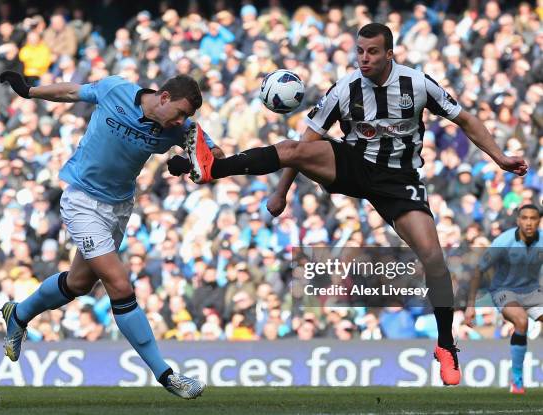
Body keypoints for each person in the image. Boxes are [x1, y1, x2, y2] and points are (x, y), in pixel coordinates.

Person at [172, 23, 528, 386]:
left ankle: (446, 345)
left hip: (398, 182)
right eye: (359, 51)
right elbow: (304, 143)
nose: (364, 58)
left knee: (434, 258)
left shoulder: (417, 84)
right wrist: (281, 192)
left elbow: (465, 119)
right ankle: (214, 167)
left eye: (372, 52)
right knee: (293, 148)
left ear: (390, 53)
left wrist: (499, 157)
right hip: (353, 165)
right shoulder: (345, 88)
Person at [0, 70, 224, 399]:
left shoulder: (182, 129)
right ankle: (167, 375)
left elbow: (213, 157)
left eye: (187, 117)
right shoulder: (116, 90)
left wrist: (189, 163)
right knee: (119, 285)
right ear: (163, 97)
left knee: (78, 284)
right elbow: (73, 92)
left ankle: (17, 314)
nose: (181, 121)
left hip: (119, 207)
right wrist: (30, 92)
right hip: (82, 202)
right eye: (179, 112)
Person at [465, 204, 542, 394]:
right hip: (504, 290)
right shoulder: (504, 241)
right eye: (524, 218)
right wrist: (470, 306)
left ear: (539, 221)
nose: (529, 222)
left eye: (533, 218)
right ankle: (517, 380)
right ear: (518, 221)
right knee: (521, 322)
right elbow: (478, 270)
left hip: (532, 290)